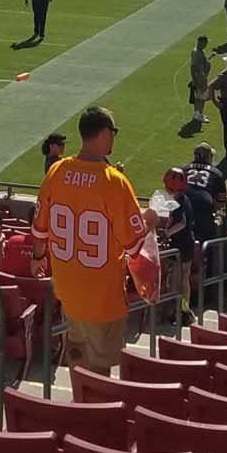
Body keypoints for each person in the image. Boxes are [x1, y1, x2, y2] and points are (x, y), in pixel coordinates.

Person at [32, 107, 152, 378]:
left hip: (68, 289)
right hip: (102, 296)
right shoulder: (114, 182)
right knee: (99, 367)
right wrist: (151, 220)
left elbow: (39, 229)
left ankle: (79, 408)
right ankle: (92, 415)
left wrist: (38, 257)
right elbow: (135, 245)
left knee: (77, 352)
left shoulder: (57, 171)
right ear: (105, 133)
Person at [159, 166, 215, 324]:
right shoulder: (179, 198)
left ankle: (181, 311)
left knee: (179, 279)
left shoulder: (179, 200)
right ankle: (182, 310)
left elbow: (181, 222)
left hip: (181, 245)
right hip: (184, 244)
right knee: (181, 279)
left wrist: (166, 233)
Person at [186, 36, 212, 127]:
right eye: (205, 43)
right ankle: (199, 115)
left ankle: (197, 114)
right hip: (200, 79)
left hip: (202, 77)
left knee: (199, 97)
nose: (206, 45)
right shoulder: (196, 53)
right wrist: (196, 81)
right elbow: (193, 68)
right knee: (201, 98)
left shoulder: (200, 52)